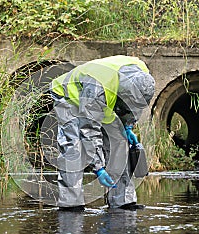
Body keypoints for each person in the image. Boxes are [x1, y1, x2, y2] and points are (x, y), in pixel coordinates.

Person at [50, 55, 155, 211]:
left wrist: (128, 126)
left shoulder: (142, 72)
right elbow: (90, 132)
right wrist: (98, 167)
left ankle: (123, 200)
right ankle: (71, 203)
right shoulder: (97, 87)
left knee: (120, 141)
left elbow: (135, 106)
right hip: (70, 97)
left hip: (105, 99)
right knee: (73, 147)